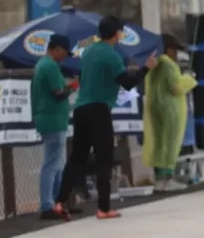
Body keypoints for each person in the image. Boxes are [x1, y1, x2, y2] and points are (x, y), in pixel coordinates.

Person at [52, 15, 157, 221]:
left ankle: (60, 201)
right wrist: (146, 67)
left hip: (81, 108)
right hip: (98, 109)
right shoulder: (111, 55)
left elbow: (88, 76)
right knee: (104, 158)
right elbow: (127, 82)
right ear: (116, 33)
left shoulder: (89, 50)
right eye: (121, 31)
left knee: (77, 158)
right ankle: (104, 208)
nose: (122, 34)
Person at [142, 34, 197, 192]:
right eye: (175, 50)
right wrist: (190, 79)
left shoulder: (153, 63)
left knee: (158, 145)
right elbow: (176, 87)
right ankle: (168, 178)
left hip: (154, 108)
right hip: (170, 109)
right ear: (169, 49)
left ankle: (159, 180)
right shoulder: (169, 64)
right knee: (171, 144)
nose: (176, 54)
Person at [31, 34, 78, 220]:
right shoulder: (50, 65)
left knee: (57, 163)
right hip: (52, 119)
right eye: (65, 52)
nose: (65, 57)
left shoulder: (43, 64)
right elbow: (58, 93)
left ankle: (58, 202)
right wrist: (74, 85)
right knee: (52, 164)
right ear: (57, 48)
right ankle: (47, 205)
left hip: (50, 118)